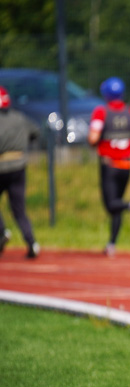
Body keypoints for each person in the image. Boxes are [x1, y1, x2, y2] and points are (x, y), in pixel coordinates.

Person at [88, 77, 130, 257]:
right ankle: (112, 244)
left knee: (111, 205)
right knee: (117, 202)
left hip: (109, 165)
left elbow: (93, 138)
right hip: (126, 165)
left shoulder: (101, 112)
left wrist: (96, 143)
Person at [0, 85, 41, 259]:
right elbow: (36, 132)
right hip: (19, 166)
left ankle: (2, 232)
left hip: (1, 167)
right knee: (19, 209)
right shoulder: (19, 117)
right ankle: (31, 242)